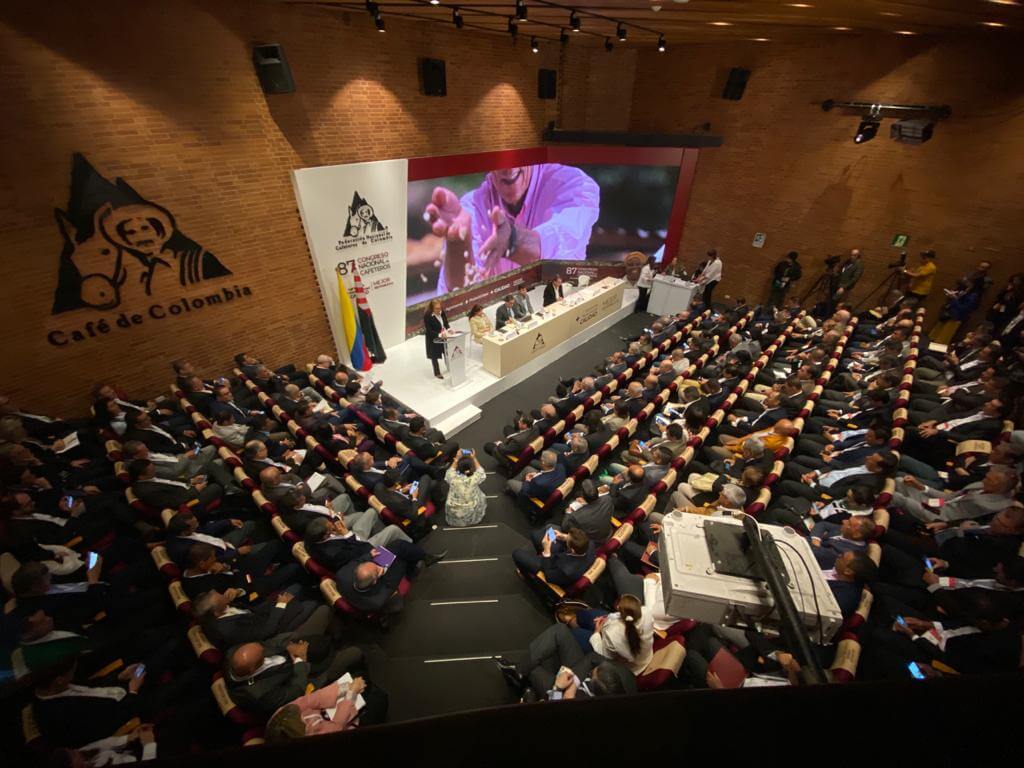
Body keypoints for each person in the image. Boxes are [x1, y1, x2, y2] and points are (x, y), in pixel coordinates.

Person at [425, 164, 600, 292]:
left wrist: (512, 240)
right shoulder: (471, 207)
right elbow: (461, 293)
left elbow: (559, 246)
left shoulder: (574, 184)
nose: (508, 168)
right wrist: (457, 242)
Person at [265, 677, 388, 740]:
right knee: (379, 699)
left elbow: (311, 699)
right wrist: (351, 694)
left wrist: (346, 688)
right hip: (339, 726)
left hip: (326, 713)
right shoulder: (305, 736)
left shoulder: (281, 714)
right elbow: (337, 727)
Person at [444, 449, 487, 527]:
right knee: (481, 495)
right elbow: (481, 471)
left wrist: (457, 459)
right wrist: (474, 458)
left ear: (458, 468)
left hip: (454, 510)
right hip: (470, 509)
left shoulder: (451, 476)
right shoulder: (475, 477)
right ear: (471, 467)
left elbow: (450, 470)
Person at [423, 298, 450, 379]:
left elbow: (445, 322)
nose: (439, 310)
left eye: (440, 308)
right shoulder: (427, 316)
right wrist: (439, 335)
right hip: (432, 338)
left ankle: (450, 367)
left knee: (446, 352)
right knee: (434, 356)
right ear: (432, 308)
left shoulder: (442, 312)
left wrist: (449, 329)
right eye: (437, 309)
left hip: (443, 336)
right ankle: (437, 373)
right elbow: (429, 331)